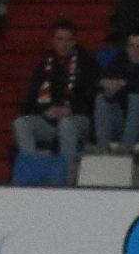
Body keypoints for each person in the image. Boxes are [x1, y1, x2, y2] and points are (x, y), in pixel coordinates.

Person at [13, 19, 99, 162]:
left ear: (74, 42)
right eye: (60, 39)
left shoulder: (87, 64)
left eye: (68, 40)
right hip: (50, 121)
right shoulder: (43, 67)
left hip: (78, 119)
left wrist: (69, 110)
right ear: (52, 41)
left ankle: (65, 178)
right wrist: (45, 110)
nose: (64, 45)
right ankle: (32, 170)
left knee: (66, 124)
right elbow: (30, 100)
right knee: (21, 123)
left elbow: (91, 98)